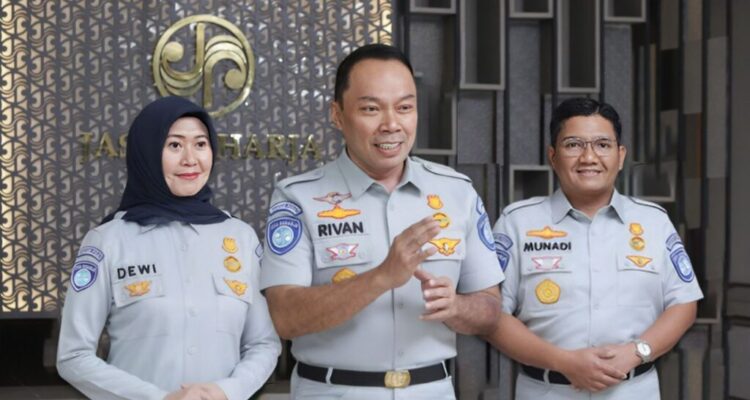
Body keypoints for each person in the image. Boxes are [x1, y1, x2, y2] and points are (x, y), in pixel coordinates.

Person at [259, 43, 505, 399]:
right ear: (337, 115)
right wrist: (380, 277)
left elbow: (491, 310)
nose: (391, 125)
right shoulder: (298, 197)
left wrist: (457, 307)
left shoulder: (457, 192)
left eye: (404, 107)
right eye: (371, 109)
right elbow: (285, 316)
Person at [56, 96, 281, 400]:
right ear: (147, 152)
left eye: (200, 144)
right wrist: (157, 398)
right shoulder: (108, 241)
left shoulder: (240, 237)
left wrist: (226, 392)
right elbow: (73, 356)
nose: (190, 159)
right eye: (174, 145)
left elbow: (264, 344)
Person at [486, 97, 703, 399]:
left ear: (620, 155)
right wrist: (564, 361)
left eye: (602, 145)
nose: (589, 157)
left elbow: (684, 304)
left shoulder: (653, 222)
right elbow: (491, 315)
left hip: (633, 391)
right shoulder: (517, 223)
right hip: (547, 392)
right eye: (573, 145)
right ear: (552, 156)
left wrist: (637, 352)